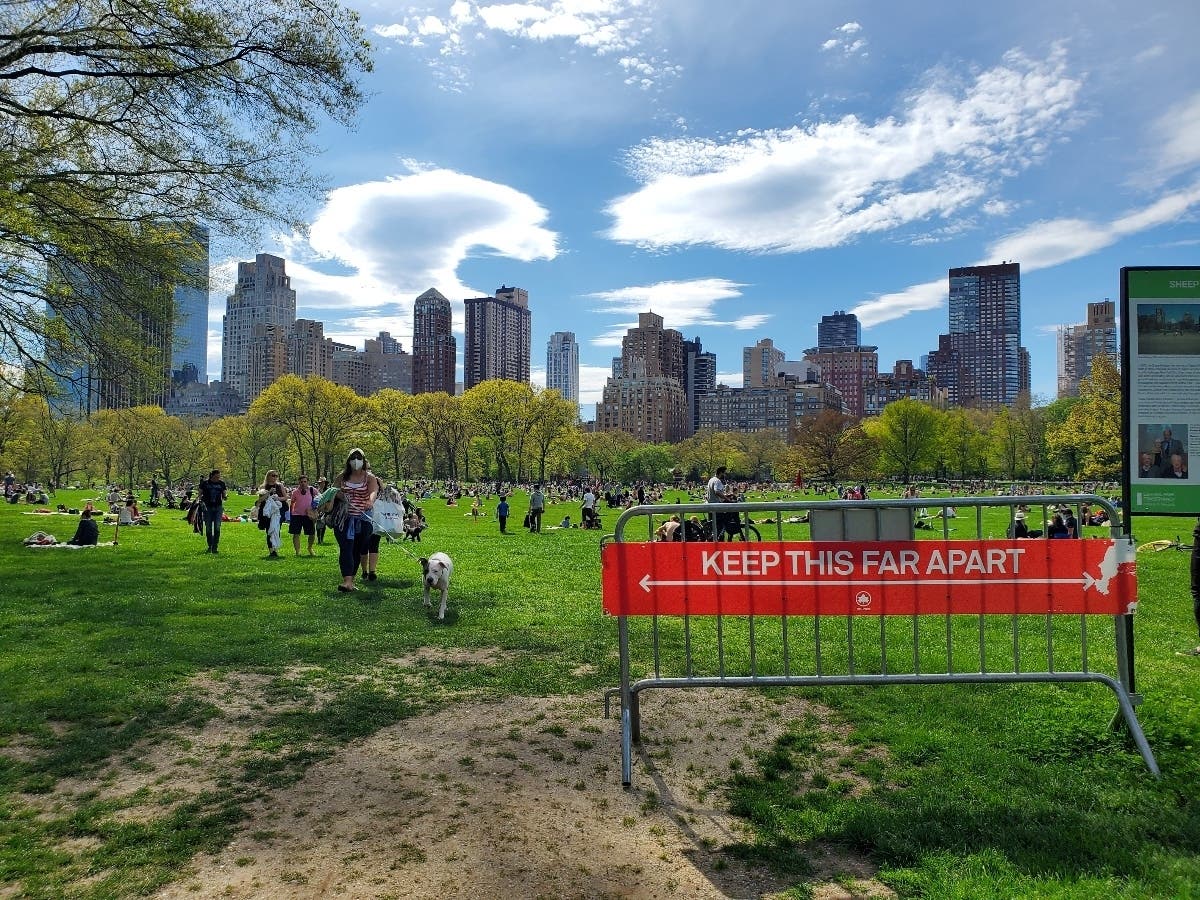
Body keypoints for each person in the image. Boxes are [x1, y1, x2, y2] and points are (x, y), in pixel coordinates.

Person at [331, 448, 379, 592]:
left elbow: (373, 491)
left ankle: (351, 580)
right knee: (346, 547)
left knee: (357, 549)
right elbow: (331, 491)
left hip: (363, 519)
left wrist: (370, 501)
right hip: (343, 518)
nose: (356, 460)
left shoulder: (369, 478)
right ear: (348, 460)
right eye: (353, 457)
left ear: (364, 460)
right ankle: (347, 581)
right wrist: (339, 494)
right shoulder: (342, 477)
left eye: (359, 458)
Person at [256, 470, 287, 555]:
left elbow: (285, 497)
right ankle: (271, 550)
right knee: (269, 529)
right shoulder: (263, 487)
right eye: (273, 475)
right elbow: (260, 500)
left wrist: (277, 498)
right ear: (268, 476)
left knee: (276, 528)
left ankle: (275, 548)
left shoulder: (280, 486)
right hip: (267, 511)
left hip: (278, 511)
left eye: (276, 476)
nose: (275, 478)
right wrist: (269, 493)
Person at [197, 469, 226, 552]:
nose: (218, 478)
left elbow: (224, 494)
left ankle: (215, 546)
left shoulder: (221, 484)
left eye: (219, 477)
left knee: (217, 527)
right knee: (208, 527)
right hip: (207, 507)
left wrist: (225, 496)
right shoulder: (205, 483)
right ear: (212, 476)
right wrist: (200, 502)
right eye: (216, 477)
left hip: (218, 507)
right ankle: (210, 545)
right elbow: (199, 494)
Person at [289, 475, 317, 556]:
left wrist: (315, 507)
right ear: (299, 482)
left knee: (311, 533)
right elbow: (292, 503)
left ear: (307, 482)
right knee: (296, 533)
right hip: (297, 515)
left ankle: (310, 548)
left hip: (309, 515)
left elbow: (320, 497)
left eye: (305, 481)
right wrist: (291, 514)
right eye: (301, 482)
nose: (303, 483)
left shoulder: (312, 490)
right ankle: (297, 551)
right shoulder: (295, 492)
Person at [706, 466, 736, 540]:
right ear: (720, 473)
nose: (725, 475)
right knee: (721, 525)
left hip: (710, 505)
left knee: (714, 526)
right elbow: (717, 492)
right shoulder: (717, 481)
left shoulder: (711, 479)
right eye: (724, 473)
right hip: (717, 506)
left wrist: (728, 495)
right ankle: (719, 540)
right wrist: (727, 499)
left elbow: (715, 493)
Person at [314, 476, 330, 544]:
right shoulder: (316, 491)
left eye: (323, 483)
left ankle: (322, 538)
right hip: (317, 509)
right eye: (320, 483)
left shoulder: (328, 491)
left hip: (325, 509)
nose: (322, 484)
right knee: (318, 525)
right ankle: (318, 539)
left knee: (323, 525)